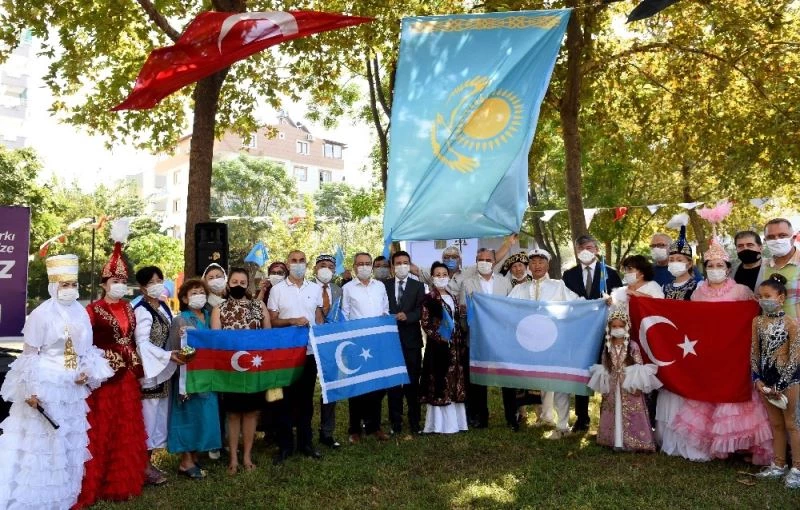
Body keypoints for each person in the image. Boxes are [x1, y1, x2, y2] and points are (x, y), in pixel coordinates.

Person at [0, 254, 112, 510]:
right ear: (53, 286)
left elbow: (87, 350)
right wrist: (29, 389)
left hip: (72, 389)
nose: (70, 289)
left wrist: (85, 371)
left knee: (67, 440)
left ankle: (64, 497)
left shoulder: (81, 313)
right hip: (46, 384)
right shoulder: (41, 314)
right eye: (64, 284)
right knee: (42, 443)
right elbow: (29, 356)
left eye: (74, 284)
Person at [667, 241, 772, 464]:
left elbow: (751, 318)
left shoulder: (741, 291)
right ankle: (717, 444)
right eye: (711, 265)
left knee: (736, 397)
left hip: (735, 354)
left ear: (727, 267)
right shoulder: (698, 293)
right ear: (705, 268)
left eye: (719, 265)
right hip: (709, 353)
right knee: (710, 394)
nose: (715, 269)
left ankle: (743, 446)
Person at [77, 222, 149, 508]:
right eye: (114, 281)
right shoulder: (92, 311)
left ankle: (122, 482)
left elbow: (131, 339)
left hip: (127, 375)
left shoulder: (130, 308)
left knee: (125, 427)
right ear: (104, 284)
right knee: (101, 427)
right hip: (103, 375)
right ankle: (95, 482)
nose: (119, 284)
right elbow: (81, 344)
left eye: (123, 280)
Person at [510, 248, 581, 437]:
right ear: (529, 266)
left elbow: (578, 303)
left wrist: (599, 303)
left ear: (547, 264)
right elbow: (504, 308)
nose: (537, 266)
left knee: (558, 381)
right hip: (527, 343)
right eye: (533, 262)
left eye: (541, 262)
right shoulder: (520, 288)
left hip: (554, 342)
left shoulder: (558, 286)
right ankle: (544, 416)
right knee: (534, 379)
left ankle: (562, 425)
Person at [211, 267, 271, 474]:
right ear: (228, 284)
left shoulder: (258, 306)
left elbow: (267, 337)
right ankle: (233, 458)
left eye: (242, 282)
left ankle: (247, 456)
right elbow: (216, 340)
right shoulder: (220, 308)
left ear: (248, 285)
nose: (238, 285)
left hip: (254, 367)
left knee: (252, 413)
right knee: (234, 414)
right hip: (230, 370)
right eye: (234, 282)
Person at [561, 234, 623, 432]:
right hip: (579, 334)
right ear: (577, 252)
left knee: (608, 371)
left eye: (589, 247)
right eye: (581, 249)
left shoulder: (611, 273)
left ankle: (610, 419)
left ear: (596, 249)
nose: (585, 251)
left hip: (606, 331)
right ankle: (582, 417)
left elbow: (620, 302)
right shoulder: (568, 275)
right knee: (582, 374)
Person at [267, 250, 324, 464]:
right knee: (284, 400)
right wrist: (291, 321)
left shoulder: (315, 288)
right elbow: (272, 320)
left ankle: (306, 443)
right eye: (294, 261)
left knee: (306, 400)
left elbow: (318, 317)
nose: (298, 264)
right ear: (287, 264)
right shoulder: (277, 290)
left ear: (306, 264)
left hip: (309, 352)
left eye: (301, 261)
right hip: (285, 355)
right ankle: (284, 446)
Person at [166, 279, 222, 480]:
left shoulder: (211, 316)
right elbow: (173, 351)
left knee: (204, 416)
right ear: (184, 298)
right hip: (187, 378)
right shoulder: (180, 320)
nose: (198, 296)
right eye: (194, 293)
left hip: (209, 377)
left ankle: (196, 455)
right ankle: (185, 461)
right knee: (187, 417)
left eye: (201, 292)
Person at [587, 308, 661, 452]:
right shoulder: (607, 347)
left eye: (620, 326)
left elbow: (639, 366)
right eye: (614, 326)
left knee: (632, 410)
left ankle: (635, 441)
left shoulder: (633, 346)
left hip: (628, 386)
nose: (617, 329)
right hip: (614, 386)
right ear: (609, 328)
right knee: (613, 409)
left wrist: (636, 384)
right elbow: (604, 365)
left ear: (626, 326)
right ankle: (614, 440)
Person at [752, 274, 800, 487]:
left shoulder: (791, 323)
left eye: (768, 296)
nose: (764, 300)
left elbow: (796, 356)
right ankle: (778, 464)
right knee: (776, 425)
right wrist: (757, 379)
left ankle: (797, 468)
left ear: (781, 298)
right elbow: (754, 351)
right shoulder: (758, 321)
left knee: (792, 425)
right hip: (766, 381)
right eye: (760, 296)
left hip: (788, 382)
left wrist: (781, 385)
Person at [133, 265, 178, 485]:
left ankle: (148, 463)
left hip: (164, 369)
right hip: (149, 371)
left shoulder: (162, 307)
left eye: (159, 279)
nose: (157, 284)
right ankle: (142, 466)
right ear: (142, 288)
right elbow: (141, 344)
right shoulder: (142, 310)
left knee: (159, 415)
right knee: (148, 417)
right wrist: (168, 356)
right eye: (151, 282)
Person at [460, 248, 512, 429]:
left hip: (502, 339)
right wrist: (467, 325)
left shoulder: (505, 282)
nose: (484, 262)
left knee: (507, 378)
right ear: (476, 261)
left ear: (493, 261)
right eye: (480, 259)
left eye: (488, 259)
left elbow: (511, 310)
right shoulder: (467, 283)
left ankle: (511, 417)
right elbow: (462, 312)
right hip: (477, 339)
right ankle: (480, 417)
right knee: (478, 381)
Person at [342, 252, 390, 443]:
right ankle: (354, 429)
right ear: (354, 267)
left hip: (377, 343)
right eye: (360, 264)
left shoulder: (380, 287)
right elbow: (344, 315)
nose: (364, 267)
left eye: (367, 263)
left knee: (377, 386)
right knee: (357, 387)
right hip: (356, 344)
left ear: (372, 266)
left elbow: (385, 311)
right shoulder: (347, 288)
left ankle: (374, 426)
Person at [420, 261, 468, 434]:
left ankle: (457, 423)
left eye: (444, 274)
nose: (441, 277)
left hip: (454, 346)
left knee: (454, 380)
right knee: (440, 381)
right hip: (438, 348)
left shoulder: (452, 296)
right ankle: (439, 424)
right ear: (432, 277)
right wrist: (441, 338)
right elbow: (426, 324)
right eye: (437, 275)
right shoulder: (429, 298)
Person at [385, 250, 426, 436]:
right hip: (390, 341)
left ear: (409, 265)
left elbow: (420, 311)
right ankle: (396, 422)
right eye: (398, 262)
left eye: (405, 262)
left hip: (412, 342)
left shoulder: (418, 286)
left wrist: (407, 316)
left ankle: (415, 421)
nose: (402, 265)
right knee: (394, 384)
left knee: (412, 383)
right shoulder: (382, 285)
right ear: (392, 266)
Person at [314, 254, 342, 448]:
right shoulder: (306, 288)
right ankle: (303, 431)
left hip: (331, 345)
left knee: (330, 389)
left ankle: (327, 432)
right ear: (315, 268)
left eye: (330, 266)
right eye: (322, 265)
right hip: (308, 344)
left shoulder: (339, 290)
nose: (326, 269)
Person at [758, 218, 800, 319]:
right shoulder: (764, 266)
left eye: (782, 235)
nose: (776, 240)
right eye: (771, 237)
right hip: (768, 331)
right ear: (765, 241)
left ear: (793, 237)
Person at [662, 226, 699, 300]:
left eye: (679, 260)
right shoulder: (664, 288)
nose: (674, 263)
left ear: (689, 264)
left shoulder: (698, 287)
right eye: (671, 260)